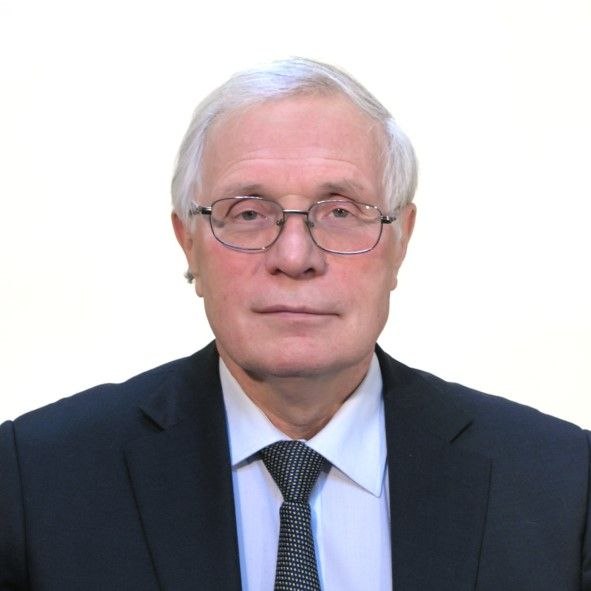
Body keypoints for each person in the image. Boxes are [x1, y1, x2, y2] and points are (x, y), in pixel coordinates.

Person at [0, 58, 589, 591]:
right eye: (248, 213)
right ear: (188, 243)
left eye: (341, 211)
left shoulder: (561, 482)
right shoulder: (38, 479)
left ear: (401, 240)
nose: (294, 256)